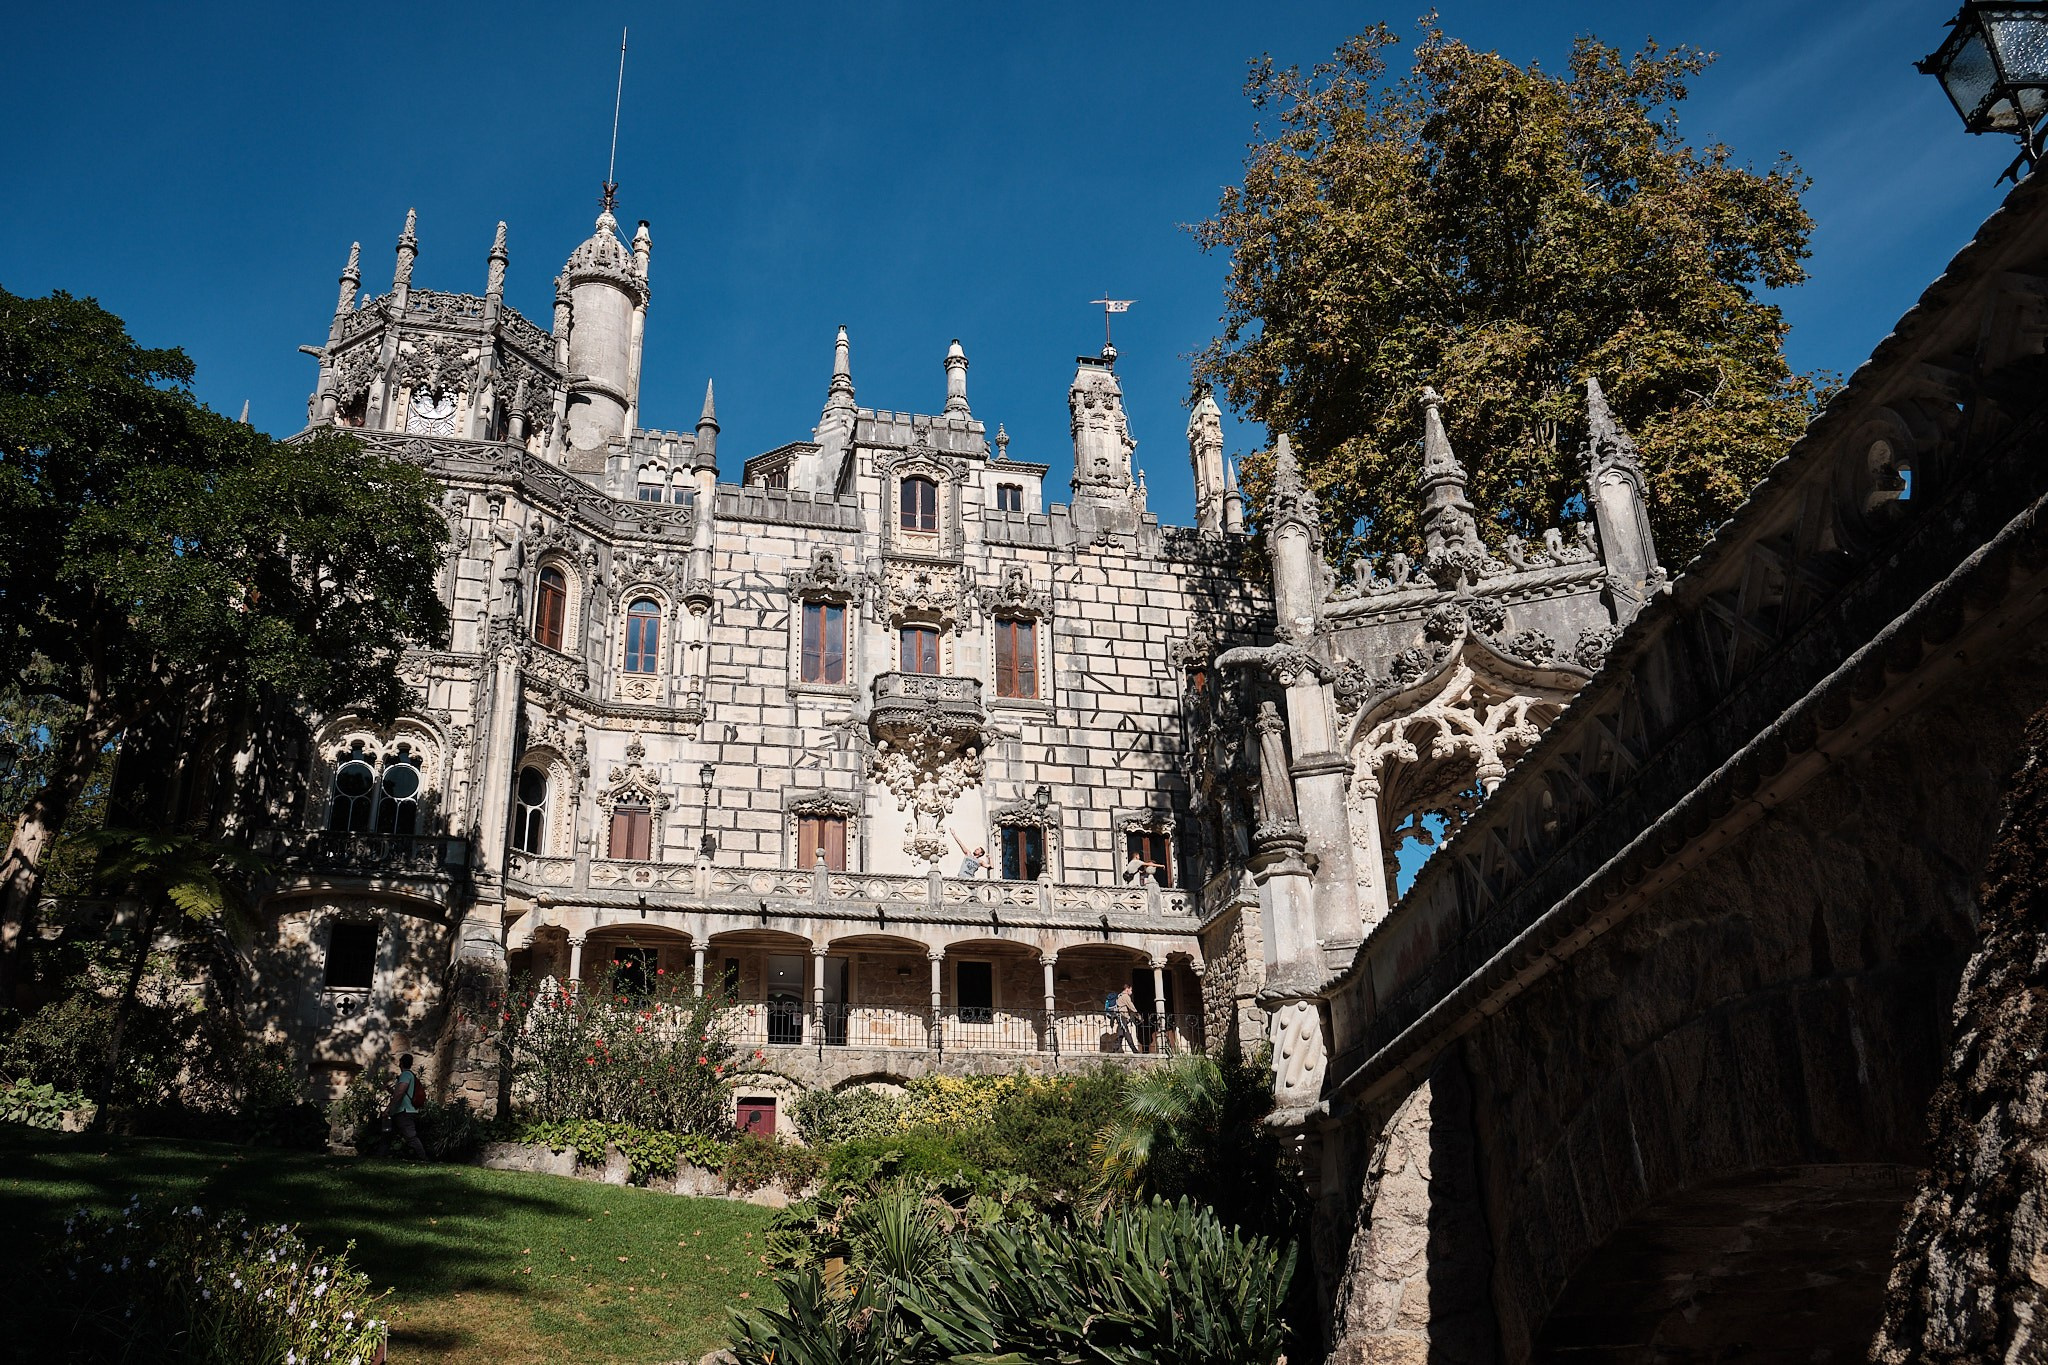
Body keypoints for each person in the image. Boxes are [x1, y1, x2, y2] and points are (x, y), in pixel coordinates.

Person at [384, 1053, 428, 1160]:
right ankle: (380, 1157)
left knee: (411, 1137)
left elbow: (400, 1093)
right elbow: (400, 1093)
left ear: (401, 1063)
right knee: (387, 1135)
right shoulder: (410, 1076)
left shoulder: (405, 1075)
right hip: (404, 1111)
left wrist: (388, 1108)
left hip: (404, 1112)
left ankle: (424, 1159)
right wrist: (392, 1091)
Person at [1112, 982, 1141, 1054]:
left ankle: (1115, 1049)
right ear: (1127, 989)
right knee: (1126, 1033)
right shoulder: (1125, 996)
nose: (1131, 992)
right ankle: (1134, 1050)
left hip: (1121, 1017)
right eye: (1130, 990)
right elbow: (1131, 1006)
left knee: (1121, 1034)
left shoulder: (1120, 995)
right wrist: (1138, 1015)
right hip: (1122, 1017)